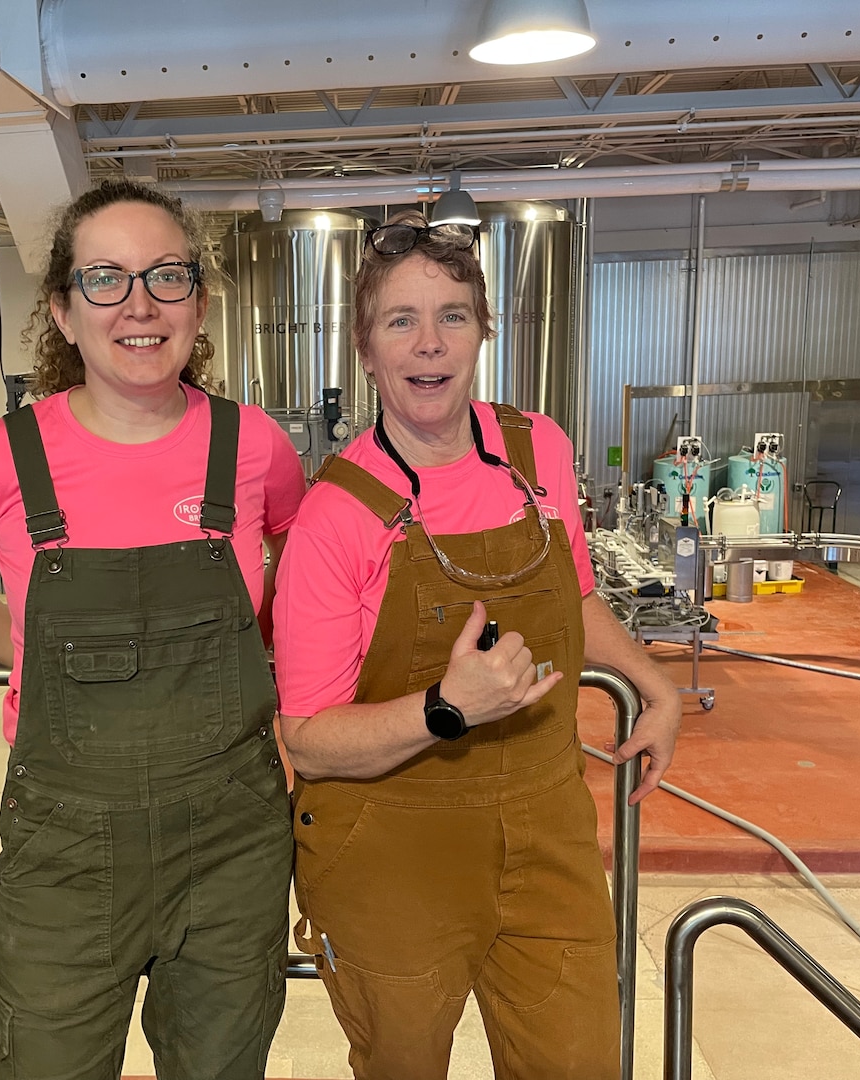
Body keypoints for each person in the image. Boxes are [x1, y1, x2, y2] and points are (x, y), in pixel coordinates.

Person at [273, 209, 682, 1080]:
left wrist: (653, 682)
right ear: (366, 348)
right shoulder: (336, 516)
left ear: (481, 332)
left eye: (452, 316)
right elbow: (307, 737)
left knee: (578, 1061)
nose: (429, 343)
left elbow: (572, 596)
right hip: (393, 849)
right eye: (401, 321)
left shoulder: (540, 451)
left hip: (546, 829)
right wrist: (446, 709)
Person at [0, 179, 306, 1080]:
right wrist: (35, 656)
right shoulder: (0, 457)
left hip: (233, 839)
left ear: (198, 305)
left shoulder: (254, 448)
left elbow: (305, 575)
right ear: (62, 308)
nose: (139, 305)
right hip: (65, 846)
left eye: (166, 277)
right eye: (106, 279)